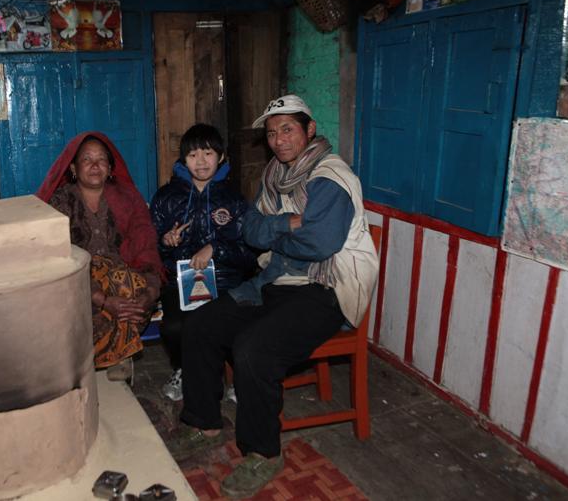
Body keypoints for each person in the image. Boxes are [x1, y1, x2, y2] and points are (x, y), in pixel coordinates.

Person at [167, 95, 379, 499]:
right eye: (271, 132)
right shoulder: (274, 175)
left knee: (253, 348)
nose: (279, 139)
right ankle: (204, 422)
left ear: (309, 130)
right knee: (200, 324)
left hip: (325, 290)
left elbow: (319, 244)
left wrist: (275, 230)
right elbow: (250, 230)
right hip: (276, 281)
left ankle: (263, 452)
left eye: (287, 129)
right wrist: (289, 223)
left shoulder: (331, 178)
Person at [37, 131, 164, 381]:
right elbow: (57, 259)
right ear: (73, 168)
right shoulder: (61, 201)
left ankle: (119, 350)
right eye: (87, 159)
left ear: (110, 168)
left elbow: (146, 246)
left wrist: (150, 291)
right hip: (78, 278)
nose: (95, 165)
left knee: (130, 287)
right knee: (75, 304)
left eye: (101, 159)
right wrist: (101, 299)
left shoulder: (127, 198)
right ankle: (110, 353)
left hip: (120, 279)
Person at [150, 124, 257, 402]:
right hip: (180, 281)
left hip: (225, 280)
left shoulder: (234, 200)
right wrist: (166, 241)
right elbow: (149, 247)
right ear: (183, 159)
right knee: (174, 327)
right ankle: (184, 368)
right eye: (193, 155)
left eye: (208, 153)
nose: (201, 161)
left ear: (221, 157)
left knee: (236, 325)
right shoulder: (166, 197)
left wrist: (215, 249)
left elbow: (249, 253)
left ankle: (240, 375)